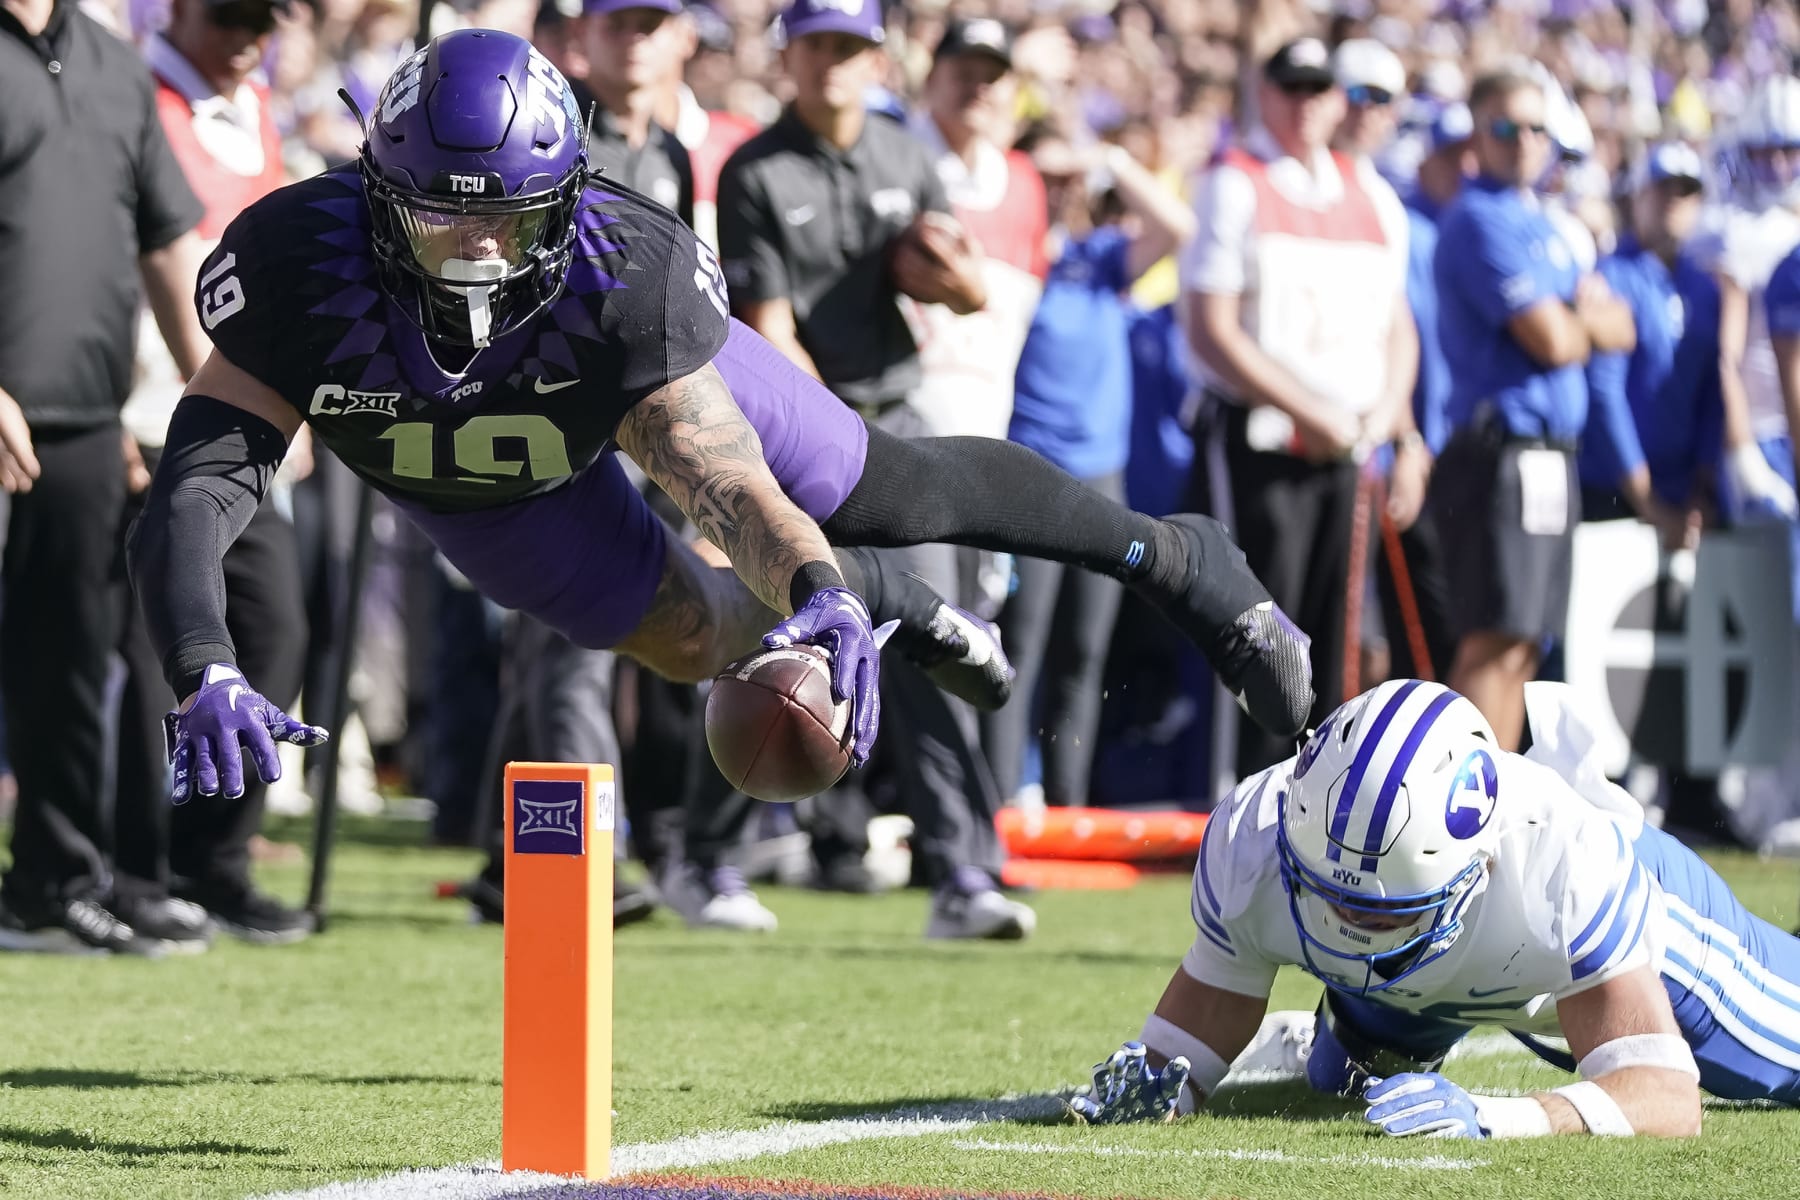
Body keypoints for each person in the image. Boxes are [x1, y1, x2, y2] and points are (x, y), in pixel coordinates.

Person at [128, 31, 1313, 833]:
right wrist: (204, 667)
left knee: (882, 491)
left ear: (566, 198)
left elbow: (727, 488)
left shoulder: (619, 273)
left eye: (511, 221)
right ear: (381, 192)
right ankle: (884, 596)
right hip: (486, 488)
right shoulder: (299, 262)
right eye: (443, 218)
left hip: (602, 384)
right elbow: (195, 491)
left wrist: (812, 578)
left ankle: (1174, 560)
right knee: (699, 645)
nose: (480, 250)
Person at [1069, 678, 1800, 1133]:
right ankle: (1312, 1036)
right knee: (1340, 1086)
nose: (1349, 929)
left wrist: (1498, 1115)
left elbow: (1665, 1098)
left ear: (1475, 869)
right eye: (1332, 896)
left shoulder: (1557, 861)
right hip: (1434, 972)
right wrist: (1160, 1079)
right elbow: (1181, 1053)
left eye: (1381, 915)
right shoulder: (1256, 834)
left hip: (1612, 961)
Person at [718, 0, 1021, 933]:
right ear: (788, 56)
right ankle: (706, 855)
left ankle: (964, 875)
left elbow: (970, 293)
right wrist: (831, 441)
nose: (832, 64)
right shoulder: (754, 172)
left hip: (898, 429)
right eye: (815, 46)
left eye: (849, 47)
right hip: (800, 434)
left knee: (928, 644)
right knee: (758, 646)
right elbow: (769, 336)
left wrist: (951, 276)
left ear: (878, 57)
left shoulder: (905, 157)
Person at [0, 0, 214, 954]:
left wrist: (224, 396)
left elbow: (167, 244)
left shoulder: (116, 68)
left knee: (69, 665)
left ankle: (51, 885)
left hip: (83, 425)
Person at [112, 0, 318, 948]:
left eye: (264, 19)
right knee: (158, 654)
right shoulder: (135, 95)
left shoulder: (256, 110)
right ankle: (139, 867)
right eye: (229, 13)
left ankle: (214, 859)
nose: (247, 35)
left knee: (274, 630)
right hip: (144, 412)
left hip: (237, 421)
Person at [1181, 37, 1417, 778]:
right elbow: (1211, 329)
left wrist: (1386, 414)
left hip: (1347, 443)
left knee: (1335, 640)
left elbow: (1398, 325)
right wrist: (1310, 408)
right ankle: (1241, 797)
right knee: (1258, 630)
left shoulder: (1371, 192)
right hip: (1264, 442)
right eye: (1293, 86)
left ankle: (1320, 807)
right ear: (1266, 92)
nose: (1309, 102)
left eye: (1321, 88)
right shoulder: (1236, 181)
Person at [982, 121, 1194, 809]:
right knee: (1018, 648)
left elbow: (1177, 226)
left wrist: (1106, 154)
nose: (1066, 189)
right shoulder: (1012, 259)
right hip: (1028, 481)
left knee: (1084, 654)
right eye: (1051, 178)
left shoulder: (1100, 258)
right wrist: (1031, 174)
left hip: (1102, 481)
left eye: (1072, 179)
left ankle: (1069, 809)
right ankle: (1003, 805)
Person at [1427, 67, 1634, 752]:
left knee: (1524, 644)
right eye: (1506, 127)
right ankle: (1456, 799)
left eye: (1537, 128)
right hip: (1502, 452)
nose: (1523, 142)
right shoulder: (1478, 220)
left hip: (1548, 454)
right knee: (1494, 638)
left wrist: (1581, 321)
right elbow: (1555, 340)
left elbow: (1620, 326)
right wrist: (1583, 318)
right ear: (1477, 135)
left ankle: (1489, 808)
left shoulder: (1541, 223)